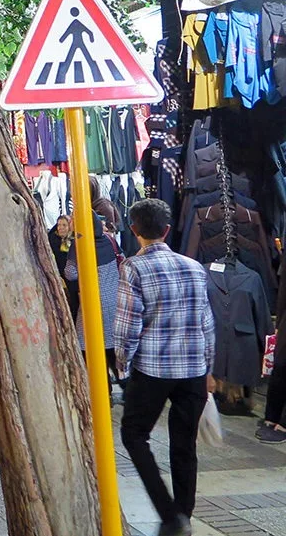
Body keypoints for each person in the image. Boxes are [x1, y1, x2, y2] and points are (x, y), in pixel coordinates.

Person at [115, 198, 214, 536]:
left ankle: (170, 514)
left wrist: (121, 366)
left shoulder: (133, 267)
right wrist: (209, 367)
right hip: (193, 370)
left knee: (133, 434)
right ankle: (184, 514)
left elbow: (128, 324)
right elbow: (206, 322)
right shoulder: (193, 266)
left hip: (153, 368)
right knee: (184, 443)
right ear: (168, 230)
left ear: (134, 231)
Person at [64, 212, 121, 389]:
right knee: (112, 347)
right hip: (114, 300)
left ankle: (103, 391)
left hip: (92, 302)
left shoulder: (80, 244)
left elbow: (71, 273)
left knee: (91, 348)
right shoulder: (109, 240)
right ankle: (124, 383)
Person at [48, 215, 78, 320]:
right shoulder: (53, 240)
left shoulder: (75, 241)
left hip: (73, 278)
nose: (60, 228)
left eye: (64, 225)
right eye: (59, 225)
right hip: (59, 277)